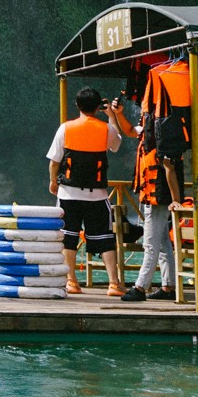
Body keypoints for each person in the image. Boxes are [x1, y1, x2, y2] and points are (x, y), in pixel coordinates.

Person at [120, 67, 196, 303]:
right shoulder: (150, 134)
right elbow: (130, 131)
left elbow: (170, 169)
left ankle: (140, 287)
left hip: (159, 196)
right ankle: (169, 285)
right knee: (163, 242)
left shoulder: (162, 136)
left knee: (151, 244)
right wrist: (115, 115)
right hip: (149, 195)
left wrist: (176, 199)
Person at [47, 87, 131, 296]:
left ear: (77, 105)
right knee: (104, 237)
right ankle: (113, 283)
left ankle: (71, 281)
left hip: (68, 193)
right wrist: (111, 116)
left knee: (69, 237)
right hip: (97, 194)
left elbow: (54, 162)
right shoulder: (105, 129)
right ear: (97, 107)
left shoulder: (66, 128)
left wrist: (53, 182)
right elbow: (116, 145)